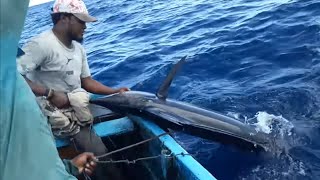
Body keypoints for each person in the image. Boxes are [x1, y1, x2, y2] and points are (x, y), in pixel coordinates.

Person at [17, 0, 129, 179]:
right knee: (98, 155)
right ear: (64, 18)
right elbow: (12, 75)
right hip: (48, 115)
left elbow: (87, 81)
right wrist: (49, 93)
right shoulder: (41, 45)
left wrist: (114, 91)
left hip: (75, 107)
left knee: (116, 128)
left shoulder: (79, 48)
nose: (85, 26)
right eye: (81, 21)